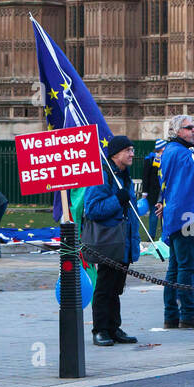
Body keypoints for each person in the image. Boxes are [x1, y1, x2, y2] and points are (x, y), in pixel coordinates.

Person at [82, 135, 141, 346]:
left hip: (122, 242)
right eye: (128, 150)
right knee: (105, 287)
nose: (132, 154)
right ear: (115, 154)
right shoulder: (103, 176)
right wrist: (117, 199)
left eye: (132, 149)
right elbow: (93, 209)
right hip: (108, 242)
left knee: (116, 287)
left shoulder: (124, 176)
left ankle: (114, 327)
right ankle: (100, 329)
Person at [158, 114, 194, 329]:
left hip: (179, 214)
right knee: (187, 265)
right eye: (190, 128)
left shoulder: (173, 151)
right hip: (185, 217)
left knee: (175, 266)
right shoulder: (180, 153)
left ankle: (171, 314)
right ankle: (188, 314)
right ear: (176, 131)